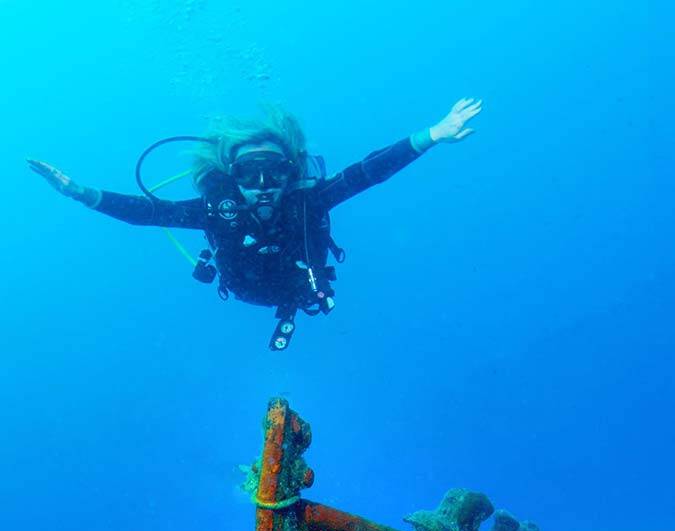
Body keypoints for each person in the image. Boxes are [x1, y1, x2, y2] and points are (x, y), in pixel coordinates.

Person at [28, 99, 482, 351]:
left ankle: (289, 311)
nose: (263, 185)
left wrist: (432, 136)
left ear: (291, 172)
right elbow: (152, 213)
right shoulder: (215, 209)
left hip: (299, 291)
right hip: (245, 288)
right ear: (232, 178)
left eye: (275, 172)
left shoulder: (308, 200)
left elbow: (365, 172)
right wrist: (80, 192)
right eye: (249, 174)